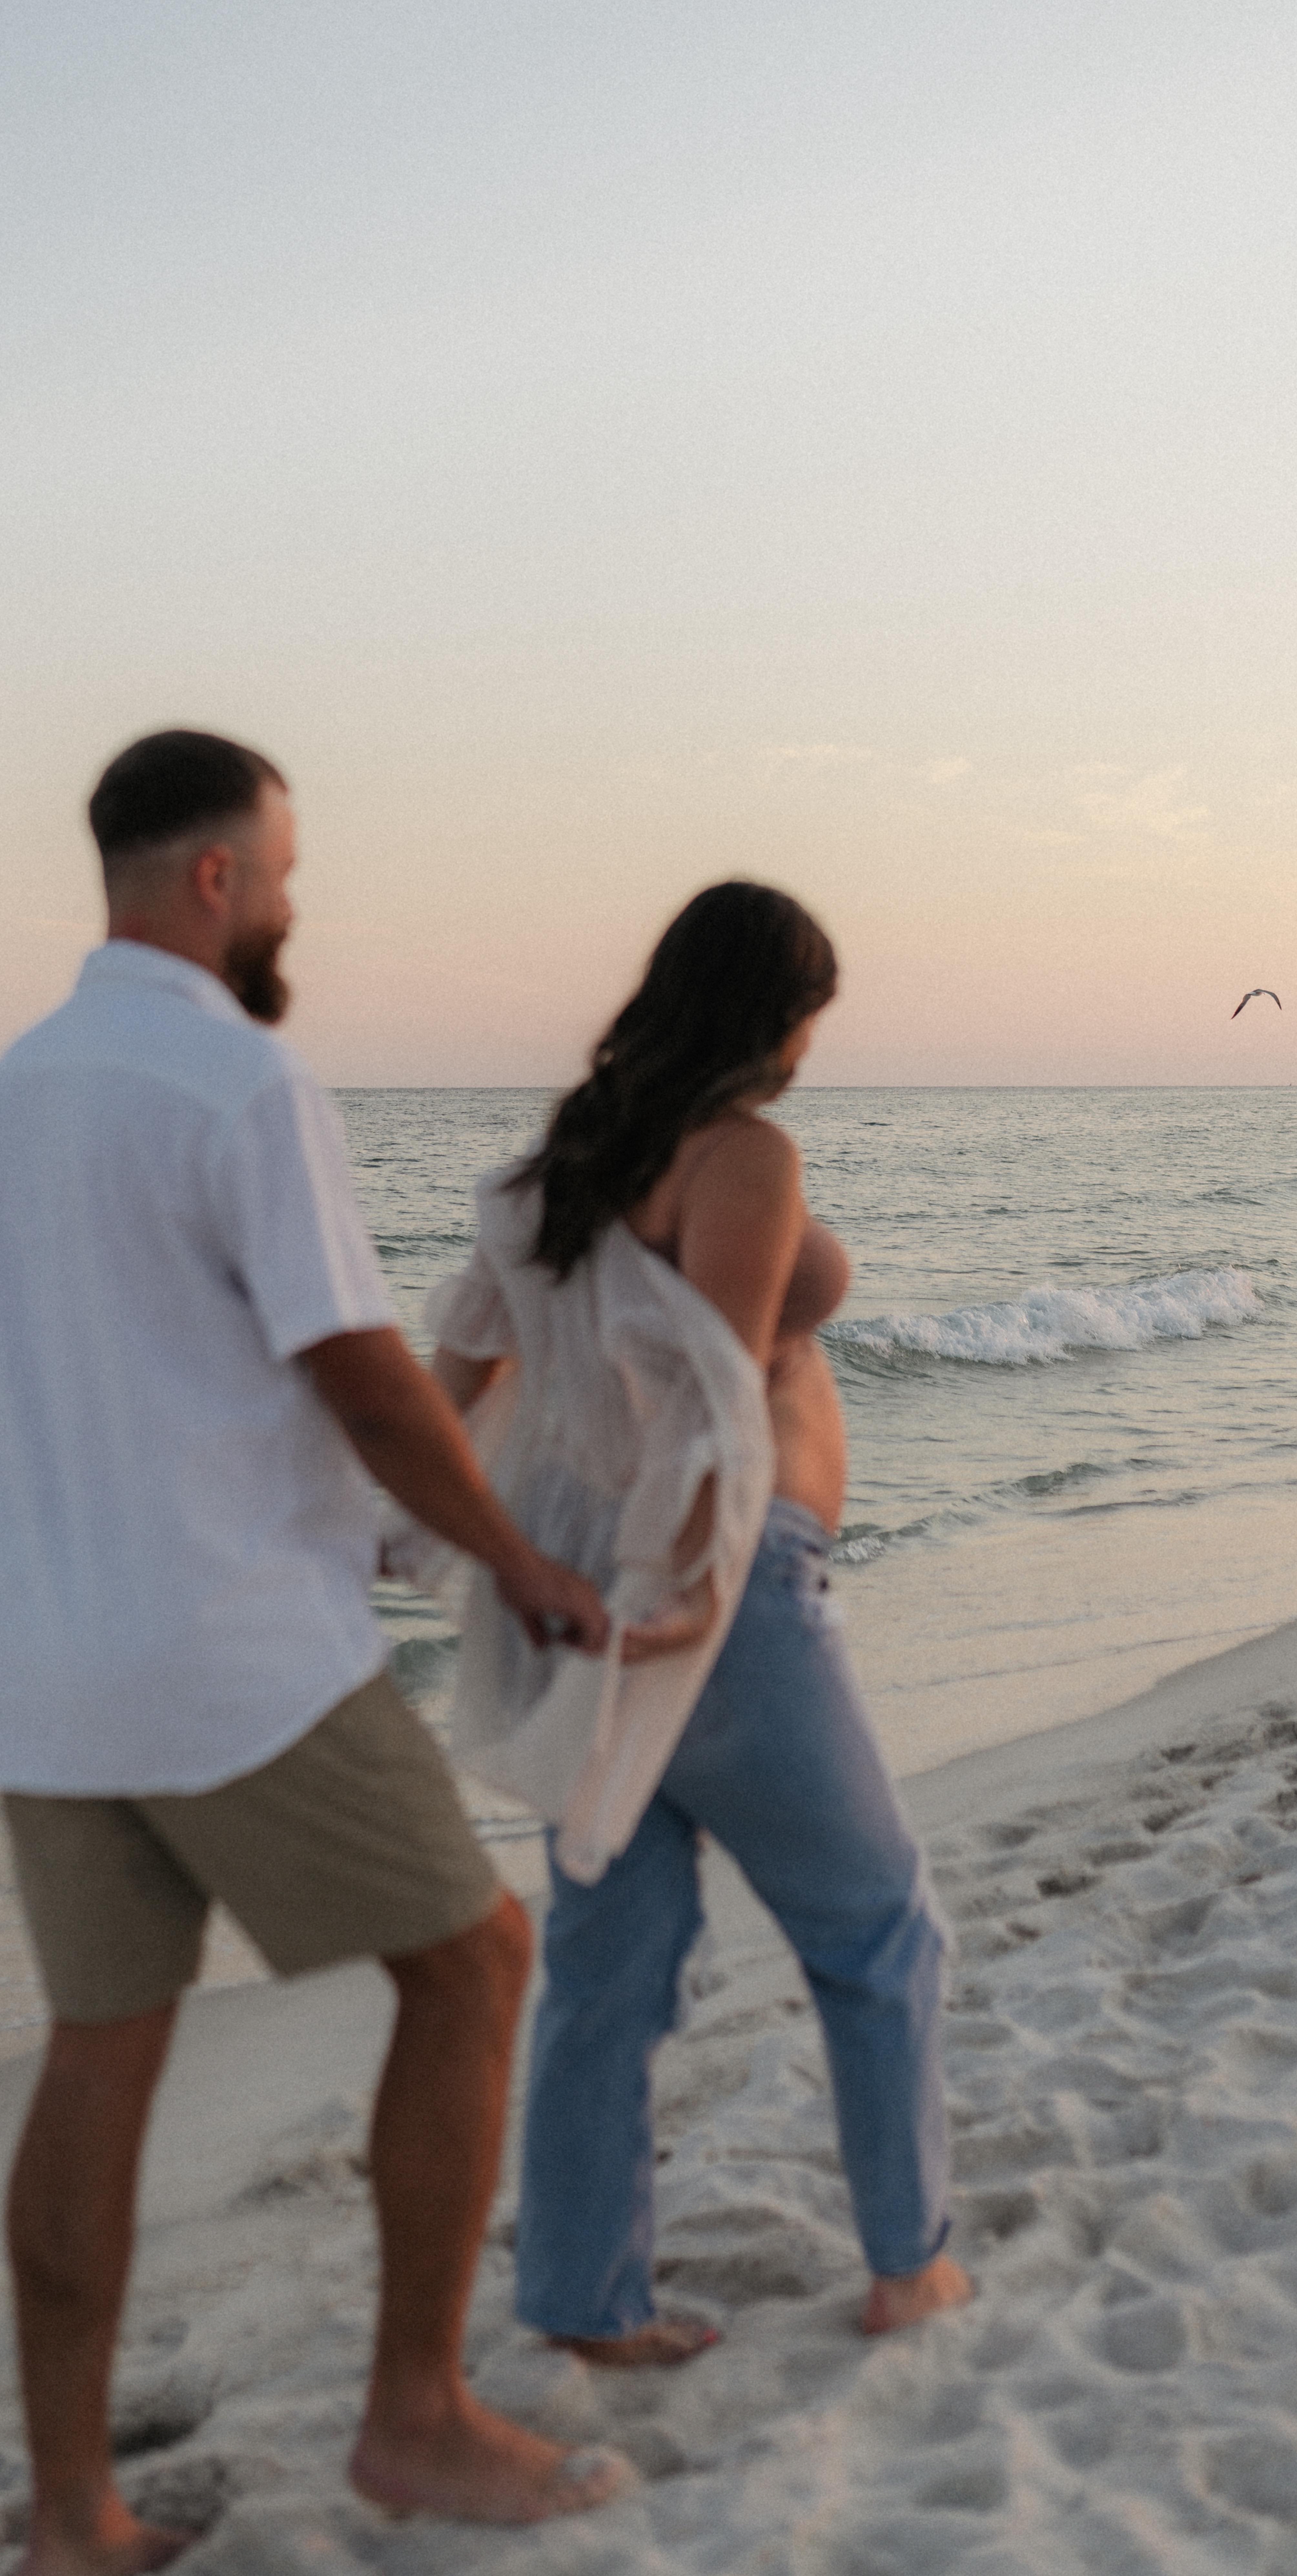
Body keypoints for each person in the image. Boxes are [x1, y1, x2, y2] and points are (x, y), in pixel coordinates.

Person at [0, 728, 636, 2574]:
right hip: (229, 1653)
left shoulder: (20, 1087)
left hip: (44, 1667)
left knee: (100, 2053)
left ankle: (75, 2514)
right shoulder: (234, 1080)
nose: (293, 904)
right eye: (285, 869)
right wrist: (510, 1562)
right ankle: (414, 2419)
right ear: (214, 880)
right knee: (477, 1966)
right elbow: (356, 1364)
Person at [429, 882, 972, 2366]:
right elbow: (718, 1408)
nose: (810, 1045)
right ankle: (907, 2270)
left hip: (587, 1601)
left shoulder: (564, 1167)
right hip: (719, 1605)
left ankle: (581, 2307)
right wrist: (683, 1596)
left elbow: (458, 1378)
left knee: (613, 1962)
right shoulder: (741, 1155)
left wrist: (505, 1569)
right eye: (809, 1014)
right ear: (768, 1016)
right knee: (878, 1930)